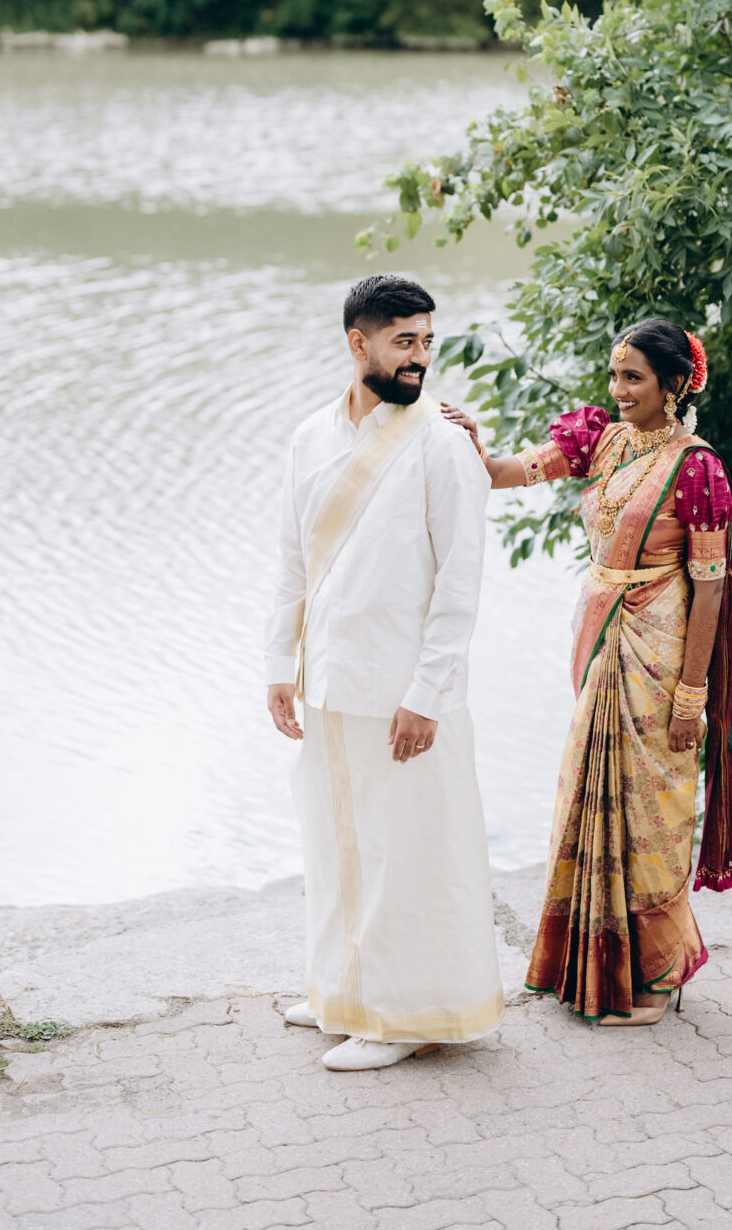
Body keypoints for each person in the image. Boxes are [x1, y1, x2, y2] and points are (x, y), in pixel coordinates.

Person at [444, 318, 732, 1027]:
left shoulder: (696, 468)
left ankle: (654, 980)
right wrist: (474, 446)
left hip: (659, 656)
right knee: (588, 790)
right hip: (603, 640)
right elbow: (505, 475)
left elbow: (710, 590)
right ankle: (597, 968)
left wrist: (691, 695)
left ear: (674, 384)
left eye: (634, 377)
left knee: (650, 810)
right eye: (615, 376)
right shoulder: (602, 440)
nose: (619, 389)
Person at [265, 273, 504, 1071]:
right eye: (404, 341)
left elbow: (460, 585)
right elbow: (292, 561)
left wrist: (428, 694)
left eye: (427, 340)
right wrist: (279, 663)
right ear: (357, 342)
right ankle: (342, 991)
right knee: (336, 841)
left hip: (405, 690)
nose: (420, 357)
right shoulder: (309, 437)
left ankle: (404, 1016)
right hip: (330, 678)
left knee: (407, 853)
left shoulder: (442, 443)